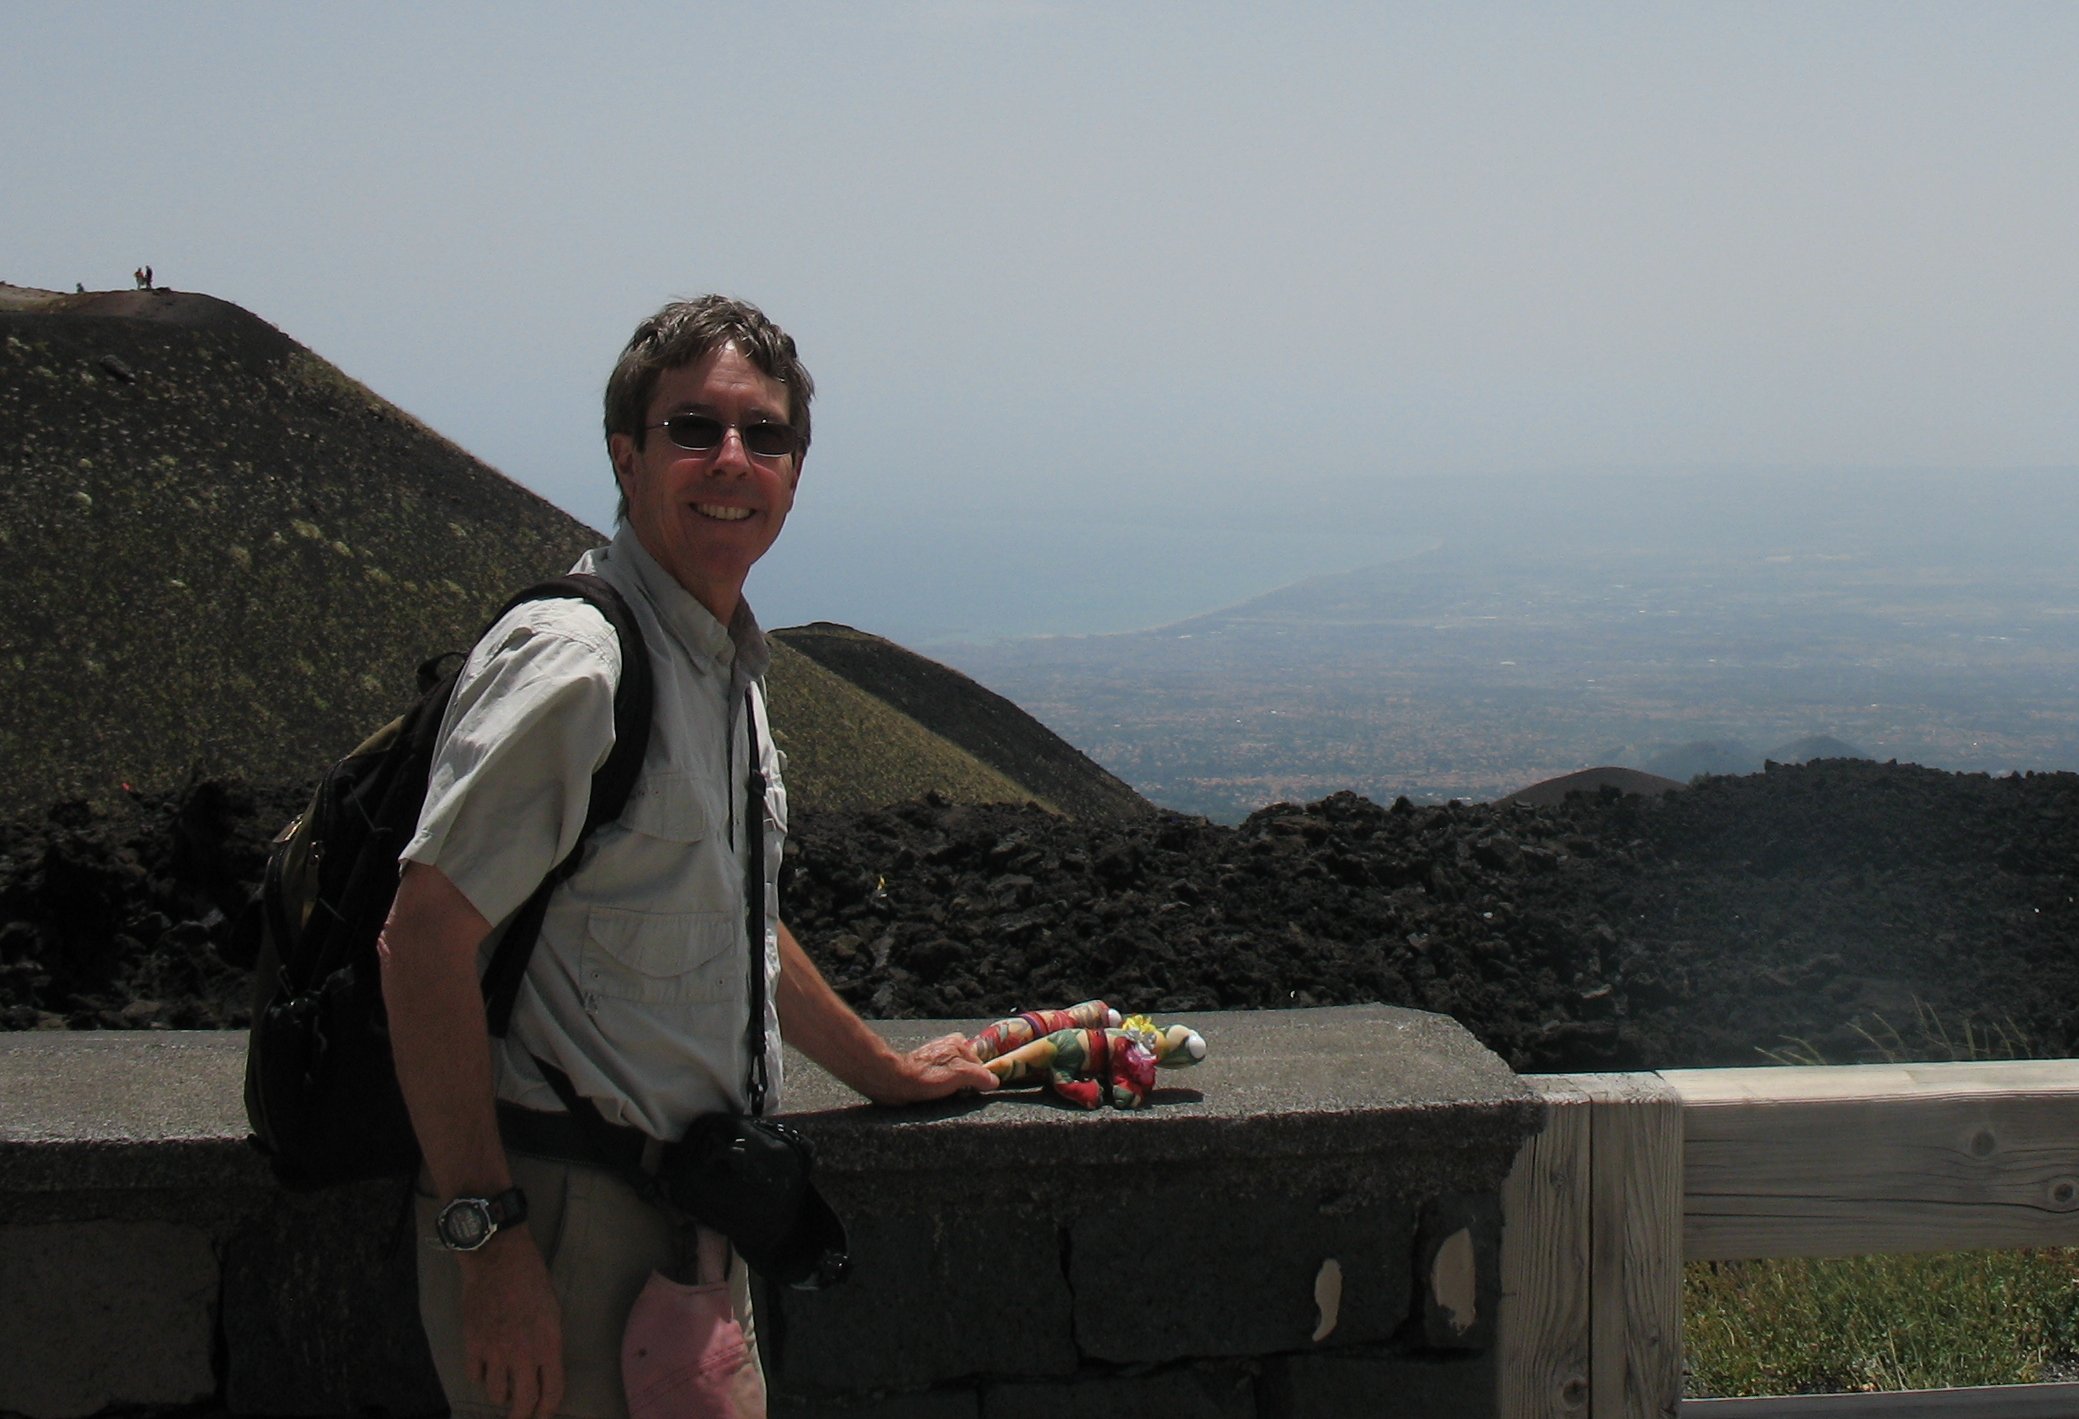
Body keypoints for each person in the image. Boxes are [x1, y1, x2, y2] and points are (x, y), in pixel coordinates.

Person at [379, 295, 996, 1419]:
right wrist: (487, 1240)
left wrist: (882, 1070)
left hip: (693, 1225)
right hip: (561, 1230)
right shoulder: (579, 665)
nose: (732, 460)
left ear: (795, 472)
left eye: (765, 435)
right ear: (626, 455)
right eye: (694, 429)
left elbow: (729, 916)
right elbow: (422, 939)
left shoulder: (720, 668)